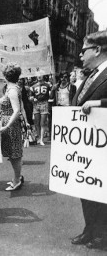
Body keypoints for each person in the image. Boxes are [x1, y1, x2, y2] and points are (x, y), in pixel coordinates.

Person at [71, 30, 107, 249]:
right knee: (86, 190)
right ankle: (90, 230)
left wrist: (100, 103)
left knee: (102, 193)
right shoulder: (89, 74)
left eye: (84, 50)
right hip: (86, 146)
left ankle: (102, 235)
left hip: (102, 146)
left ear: (97, 49)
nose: (80, 55)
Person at [0, 63, 24, 191]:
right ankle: (17, 177)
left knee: (14, 155)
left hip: (10, 125)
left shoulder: (12, 90)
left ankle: (17, 180)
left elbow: (16, 110)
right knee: (13, 154)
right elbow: (3, 102)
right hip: (8, 124)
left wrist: (7, 126)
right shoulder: (11, 88)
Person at [29, 75, 51, 145]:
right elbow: (30, 96)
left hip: (44, 103)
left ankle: (41, 139)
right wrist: (32, 99)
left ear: (43, 76)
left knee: (42, 122)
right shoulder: (33, 86)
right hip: (36, 104)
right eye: (38, 75)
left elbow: (51, 95)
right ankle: (39, 137)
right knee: (37, 122)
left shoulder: (48, 85)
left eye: (40, 75)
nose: (39, 76)